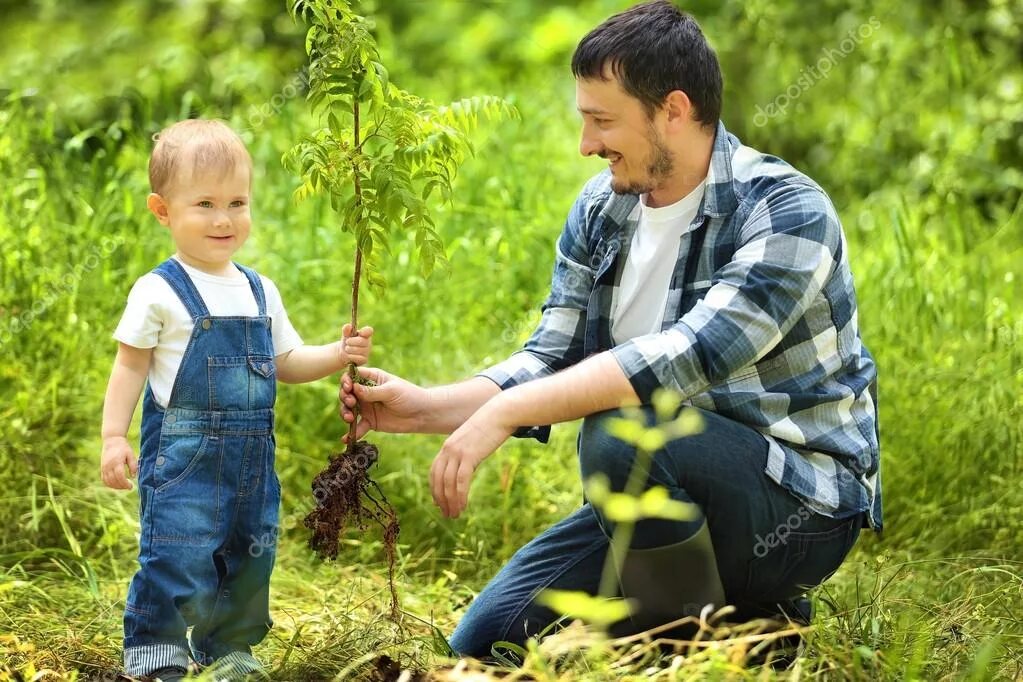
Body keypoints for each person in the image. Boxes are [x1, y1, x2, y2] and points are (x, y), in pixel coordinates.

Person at [341, 0, 881, 658]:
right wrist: (427, 408)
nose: (586, 144)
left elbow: (681, 359)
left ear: (673, 111)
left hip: (799, 506)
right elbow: (551, 357)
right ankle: (756, 631)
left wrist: (508, 413)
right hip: (665, 488)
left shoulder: (785, 210)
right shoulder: (604, 207)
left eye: (602, 121)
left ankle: (684, 651)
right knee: (488, 643)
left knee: (620, 432)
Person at [100, 119, 373, 681]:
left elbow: (287, 364)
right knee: (176, 553)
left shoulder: (259, 289)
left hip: (253, 463)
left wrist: (338, 352)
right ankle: (157, 654)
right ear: (162, 210)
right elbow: (130, 365)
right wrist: (112, 437)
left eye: (237, 202)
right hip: (183, 460)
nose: (223, 219)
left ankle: (231, 650)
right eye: (204, 203)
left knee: (250, 554)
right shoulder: (158, 291)